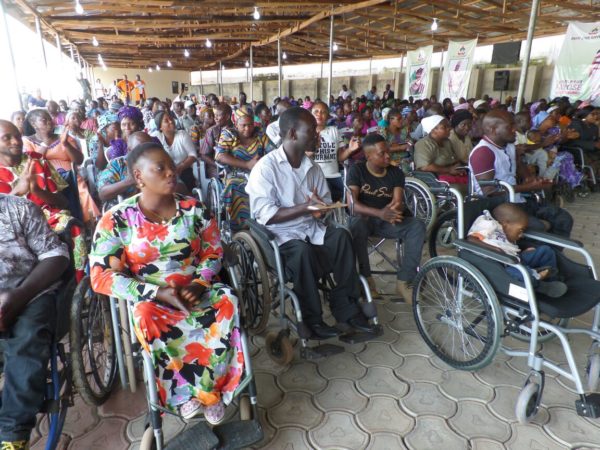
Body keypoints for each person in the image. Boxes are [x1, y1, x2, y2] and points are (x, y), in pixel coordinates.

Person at [90, 142, 243, 424]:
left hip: (197, 290)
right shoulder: (118, 220)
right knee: (145, 315)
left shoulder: (194, 209)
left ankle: (211, 391)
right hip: (153, 300)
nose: (171, 172)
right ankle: (184, 395)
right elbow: (101, 276)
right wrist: (156, 292)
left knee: (227, 301)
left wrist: (200, 283)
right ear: (138, 177)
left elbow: (213, 251)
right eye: (160, 168)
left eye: (171, 165)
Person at [246, 107, 377, 338]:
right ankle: (312, 320)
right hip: (279, 235)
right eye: (312, 131)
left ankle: (346, 309)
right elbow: (266, 214)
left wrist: (321, 211)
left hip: (309, 228)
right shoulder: (265, 168)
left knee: (342, 236)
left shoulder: (312, 167)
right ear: (293, 134)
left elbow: (323, 203)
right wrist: (306, 208)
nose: (318, 135)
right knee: (302, 251)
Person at [0, 194, 70, 450]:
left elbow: (56, 256)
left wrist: (19, 296)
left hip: (31, 293)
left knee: (27, 341)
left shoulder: (18, 209)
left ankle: (13, 435)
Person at [0, 120, 87, 282]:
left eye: (18, 136)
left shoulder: (37, 160)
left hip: (46, 218)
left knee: (73, 226)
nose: (16, 141)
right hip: (9, 229)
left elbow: (63, 203)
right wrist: (17, 191)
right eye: (7, 138)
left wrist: (37, 191)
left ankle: (79, 282)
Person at [469, 109, 574, 237]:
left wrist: (531, 179)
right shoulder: (483, 153)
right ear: (493, 129)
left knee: (564, 219)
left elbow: (519, 165)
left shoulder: (509, 146)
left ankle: (553, 249)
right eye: (510, 126)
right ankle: (541, 248)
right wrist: (527, 187)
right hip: (498, 207)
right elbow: (489, 192)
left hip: (517, 200)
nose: (515, 129)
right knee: (539, 228)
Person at [347, 133, 425, 302]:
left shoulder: (395, 172)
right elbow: (352, 205)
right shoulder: (357, 170)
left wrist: (393, 210)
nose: (388, 156)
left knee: (417, 226)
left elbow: (397, 201)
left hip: (388, 220)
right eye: (381, 153)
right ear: (368, 156)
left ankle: (404, 282)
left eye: (388, 151)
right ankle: (366, 280)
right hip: (365, 220)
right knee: (356, 224)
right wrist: (379, 213)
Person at [468, 203, 567, 298]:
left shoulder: (506, 232)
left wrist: (522, 252)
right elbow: (471, 239)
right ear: (506, 223)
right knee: (518, 274)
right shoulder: (487, 223)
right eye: (520, 230)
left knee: (545, 251)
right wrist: (496, 250)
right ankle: (540, 285)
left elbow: (509, 248)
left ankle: (552, 278)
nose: (521, 235)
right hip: (499, 267)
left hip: (515, 260)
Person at [22, 109, 100, 223]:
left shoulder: (63, 137)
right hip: (46, 182)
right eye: (44, 120)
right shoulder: (27, 141)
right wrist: (46, 141)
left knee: (80, 188)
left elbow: (79, 160)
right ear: (34, 124)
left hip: (71, 178)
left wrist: (65, 144)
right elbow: (33, 162)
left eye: (50, 119)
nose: (49, 121)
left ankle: (90, 222)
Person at [215, 107, 268, 231]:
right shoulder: (229, 134)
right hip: (235, 174)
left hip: (258, 174)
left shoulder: (260, 134)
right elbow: (220, 156)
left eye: (250, 125)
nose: (247, 128)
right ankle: (239, 227)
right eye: (243, 125)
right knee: (235, 186)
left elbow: (273, 152)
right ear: (236, 123)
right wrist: (247, 164)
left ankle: (263, 222)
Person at [309, 101, 360, 202]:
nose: (319, 114)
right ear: (311, 114)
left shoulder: (334, 131)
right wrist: (314, 148)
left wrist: (350, 150)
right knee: (326, 196)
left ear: (328, 116)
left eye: (323, 112)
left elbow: (340, 157)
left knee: (350, 196)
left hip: (334, 176)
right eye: (316, 111)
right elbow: (302, 158)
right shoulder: (307, 132)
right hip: (315, 178)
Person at [97, 131, 152, 209]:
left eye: (149, 150)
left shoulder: (156, 162)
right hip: (125, 210)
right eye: (140, 150)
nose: (145, 154)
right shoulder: (118, 164)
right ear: (129, 150)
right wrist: (129, 181)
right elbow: (103, 194)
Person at [414, 115, 467, 189]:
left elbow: (454, 158)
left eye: (448, 126)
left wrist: (459, 168)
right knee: (464, 188)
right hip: (436, 179)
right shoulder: (423, 144)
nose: (449, 129)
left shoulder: (447, 141)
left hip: (451, 174)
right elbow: (424, 167)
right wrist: (449, 170)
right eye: (444, 127)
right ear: (433, 130)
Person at [153, 110, 198, 191]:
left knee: (186, 182)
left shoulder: (182, 135)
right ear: (160, 127)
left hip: (184, 170)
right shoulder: (157, 137)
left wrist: (180, 167)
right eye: (166, 121)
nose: (171, 121)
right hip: (166, 173)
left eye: (171, 119)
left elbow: (193, 155)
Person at [200, 103, 232, 180]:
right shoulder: (212, 131)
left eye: (218, 115)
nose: (215, 118)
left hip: (234, 165)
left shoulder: (236, 130)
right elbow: (203, 155)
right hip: (216, 167)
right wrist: (218, 166)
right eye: (215, 115)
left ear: (227, 117)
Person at [380, 108, 413, 173]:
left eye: (402, 118)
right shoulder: (384, 132)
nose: (402, 120)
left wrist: (408, 144)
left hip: (407, 158)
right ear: (391, 120)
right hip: (391, 161)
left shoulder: (404, 130)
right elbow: (382, 149)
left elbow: (410, 142)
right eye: (399, 119)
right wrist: (400, 147)